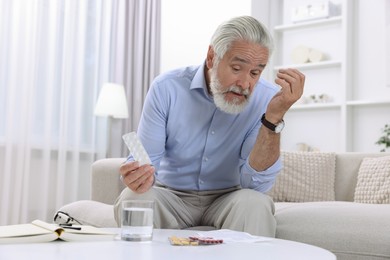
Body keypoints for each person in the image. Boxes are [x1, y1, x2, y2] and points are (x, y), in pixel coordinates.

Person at [114, 15, 305, 237]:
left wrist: (273, 119)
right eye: (236, 68)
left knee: (254, 203)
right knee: (133, 198)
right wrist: (137, 176)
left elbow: (255, 185)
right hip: (171, 196)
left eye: (255, 73)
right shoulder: (166, 88)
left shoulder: (268, 99)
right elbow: (147, 161)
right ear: (212, 57)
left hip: (229, 198)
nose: (245, 83)